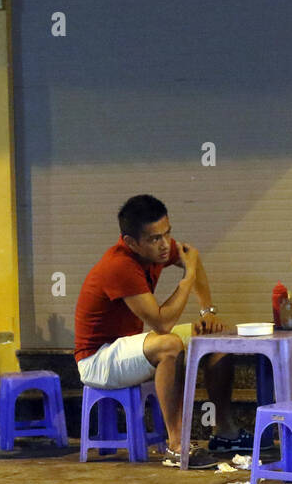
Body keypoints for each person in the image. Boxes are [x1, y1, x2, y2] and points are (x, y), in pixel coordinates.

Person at [74, 194, 254, 468]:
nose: (163, 245)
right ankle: (176, 444)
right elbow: (162, 323)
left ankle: (225, 431)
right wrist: (187, 277)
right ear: (130, 242)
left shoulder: (158, 250)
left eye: (166, 234)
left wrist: (208, 313)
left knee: (214, 340)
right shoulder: (119, 266)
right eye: (154, 238)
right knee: (169, 344)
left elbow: (192, 256)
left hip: (128, 345)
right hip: (97, 359)